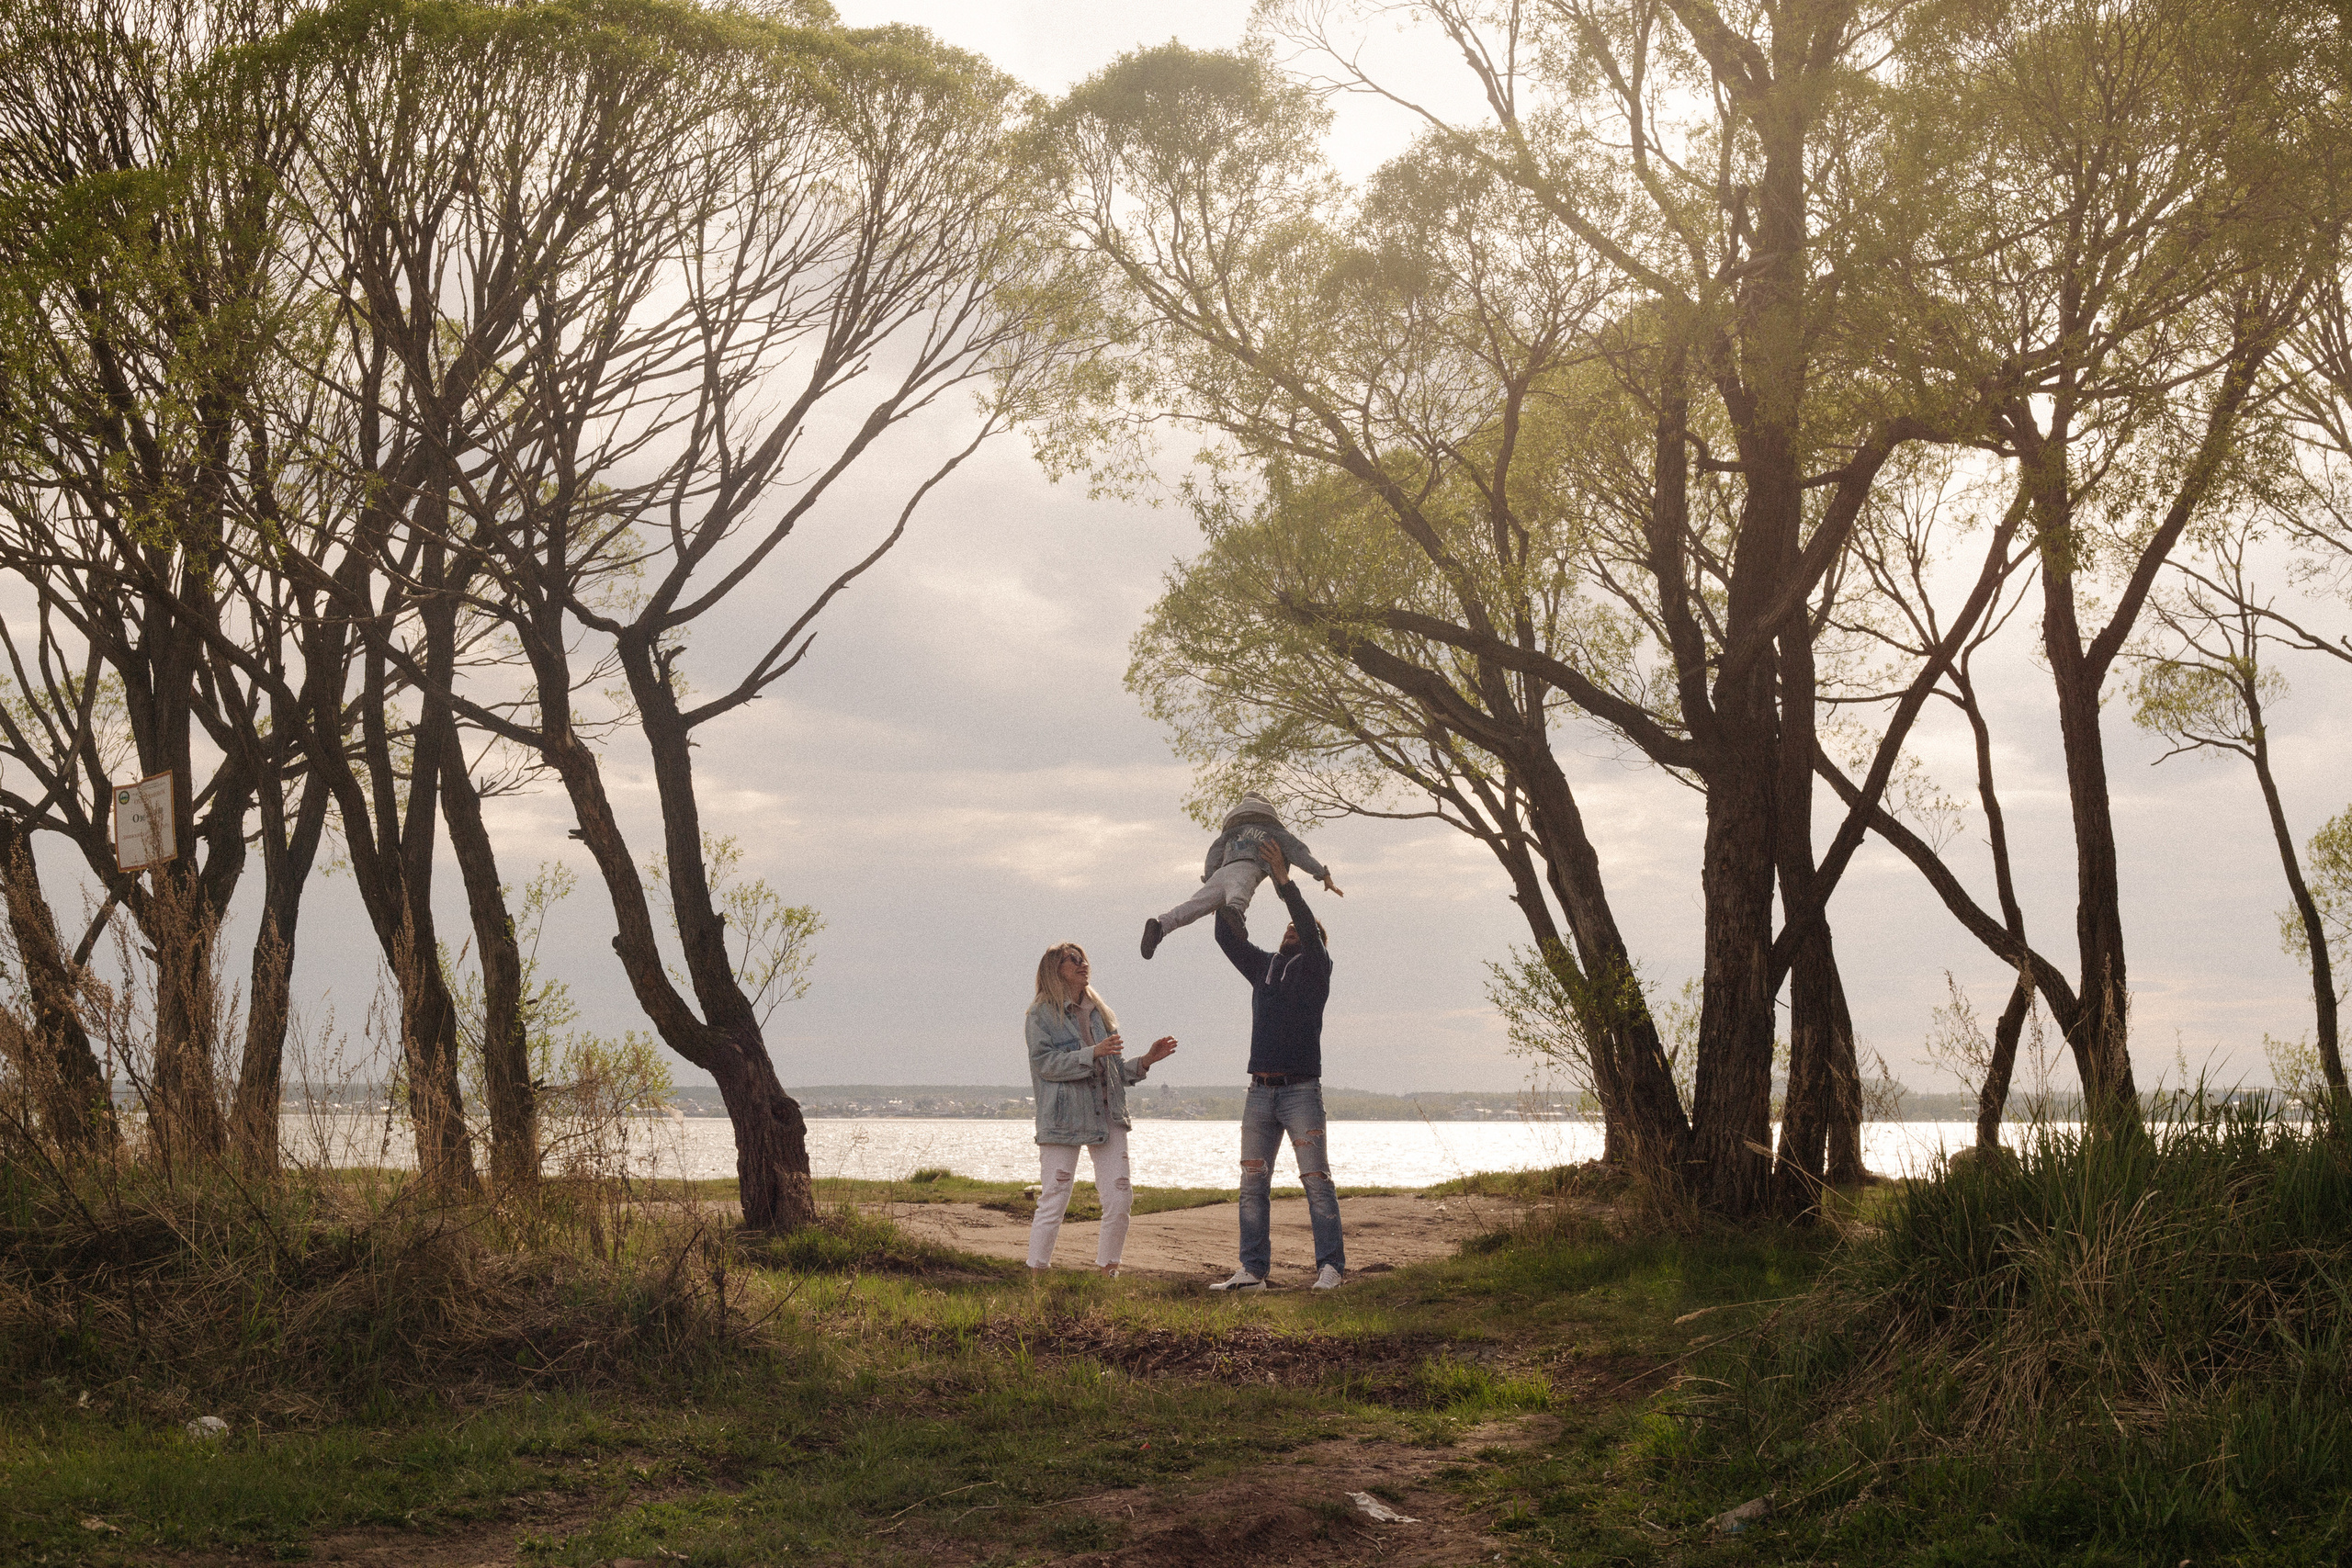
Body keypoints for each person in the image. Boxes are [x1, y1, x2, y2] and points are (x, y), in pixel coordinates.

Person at [1206, 839, 1343, 1292]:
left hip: (1302, 1091)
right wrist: (1224, 888)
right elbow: (1227, 938)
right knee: (1252, 1183)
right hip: (1259, 1092)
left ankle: (1330, 1269)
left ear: (1315, 943)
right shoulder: (1264, 967)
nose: (1291, 930)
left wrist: (1284, 880)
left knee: (1316, 1180)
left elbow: (1305, 923)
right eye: (1286, 927)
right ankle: (1252, 1272)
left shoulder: (1316, 968)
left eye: (1300, 931)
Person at [1024, 942, 1177, 1277]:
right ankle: (1037, 1274)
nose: (1082, 964)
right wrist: (1092, 1053)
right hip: (1063, 1118)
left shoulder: (1100, 1013)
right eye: (1073, 960)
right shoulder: (1041, 1015)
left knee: (1121, 1196)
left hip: (1108, 1113)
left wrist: (1147, 1060)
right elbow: (1045, 1064)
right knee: (1055, 1197)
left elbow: (1116, 1070)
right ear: (1055, 969)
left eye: (1084, 958)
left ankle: (1108, 1273)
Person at [1142, 793, 1342, 960]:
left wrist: (1210, 877)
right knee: (1240, 893)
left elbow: (1214, 852)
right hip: (1248, 867)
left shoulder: (1231, 833)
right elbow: (1298, 852)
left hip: (1222, 872)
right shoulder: (1275, 832)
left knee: (1195, 904)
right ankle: (1235, 912)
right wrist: (1322, 873)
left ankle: (1162, 926)